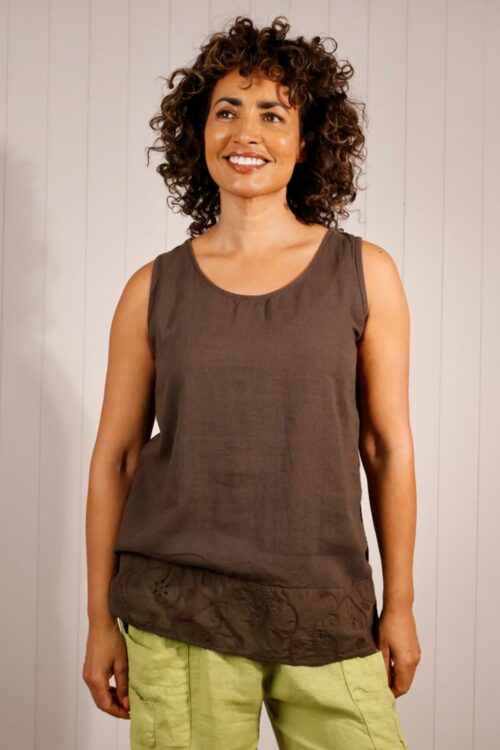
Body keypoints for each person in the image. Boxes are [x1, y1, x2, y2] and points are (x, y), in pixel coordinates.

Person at [82, 15, 420, 750]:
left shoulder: (366, 274)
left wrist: (400, 603)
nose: (246, 133)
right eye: (227, 111)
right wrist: (99, 620)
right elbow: (116, 460)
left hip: (326, 607)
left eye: (273, 114)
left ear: (307, 139)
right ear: (197, 131)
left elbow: (385, 448)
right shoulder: (151, 289)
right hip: (179, 611)